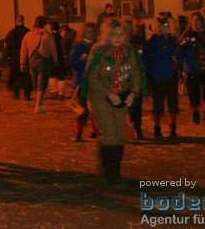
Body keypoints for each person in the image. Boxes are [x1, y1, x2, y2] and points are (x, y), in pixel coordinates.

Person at [81, 20, 141, 186]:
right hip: (102, 97)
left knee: (119, 134)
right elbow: (92, 79)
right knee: (110, 132)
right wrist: (109, 94)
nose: (118, 37)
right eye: (114, 33)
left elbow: (136, 74)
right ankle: (110, 174)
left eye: (121, 33)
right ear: (107, 35)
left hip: (121, 98)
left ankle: (115, 170)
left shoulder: (129, 51)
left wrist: (133, 93)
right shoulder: (98, 51)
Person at [143, 17, 178, 139]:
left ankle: (173, 127)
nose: (166, 28)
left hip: (171, 75)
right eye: (163, 26)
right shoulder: (152, 41)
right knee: (158, 104)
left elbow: (179, 50)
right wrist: (169, 52)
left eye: (167, 25)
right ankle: (157, 128)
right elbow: (154, 56)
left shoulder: (172, 39)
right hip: (158, 76)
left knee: (172, 102)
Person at [177, 12, 205, 125]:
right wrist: (181, 69)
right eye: (192, 20)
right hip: (192, 68)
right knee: (193, 94)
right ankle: (195, 118)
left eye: (197, 20)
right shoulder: (187, 34)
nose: (194, 22)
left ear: (202, 21)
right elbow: (180, 49)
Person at [68, 23, 100, 142]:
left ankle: (94, 129)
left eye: (92, 31)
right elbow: (72, 64)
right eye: (87, 32)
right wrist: (80, 60)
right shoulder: (78, 47)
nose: (90, 34)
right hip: (81, 82)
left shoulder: (97, 46)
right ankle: (78, 133)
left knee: (95, 107)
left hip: (94, 81)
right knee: (83, 109)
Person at [20, 16, 58, 113]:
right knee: (42, 82)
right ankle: (39, 104)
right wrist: (55, 60)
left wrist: (22, 63)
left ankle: (38, 103)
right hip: (43, 60)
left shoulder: (28, 35)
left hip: (31, 60)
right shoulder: (47, 35)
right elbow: (52, 48)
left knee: (35, 81)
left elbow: (24, 50)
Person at [6, 15, 31, 100]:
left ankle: (16, 92)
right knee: (25, 75)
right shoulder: (27, 32)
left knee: (15, 74)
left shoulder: (12, 32)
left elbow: (8, 45)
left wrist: (7, 56)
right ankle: (27, 94)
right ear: (23, 21)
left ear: (16, 21)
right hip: (25, 54)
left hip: (15, 55)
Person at [47, 21, 68, 100]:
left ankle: (54, 90)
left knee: (51, 74)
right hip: (61, 58)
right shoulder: (61, 38)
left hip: (52, 58)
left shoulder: (49, 37)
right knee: (61, 76)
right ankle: (61, 93)